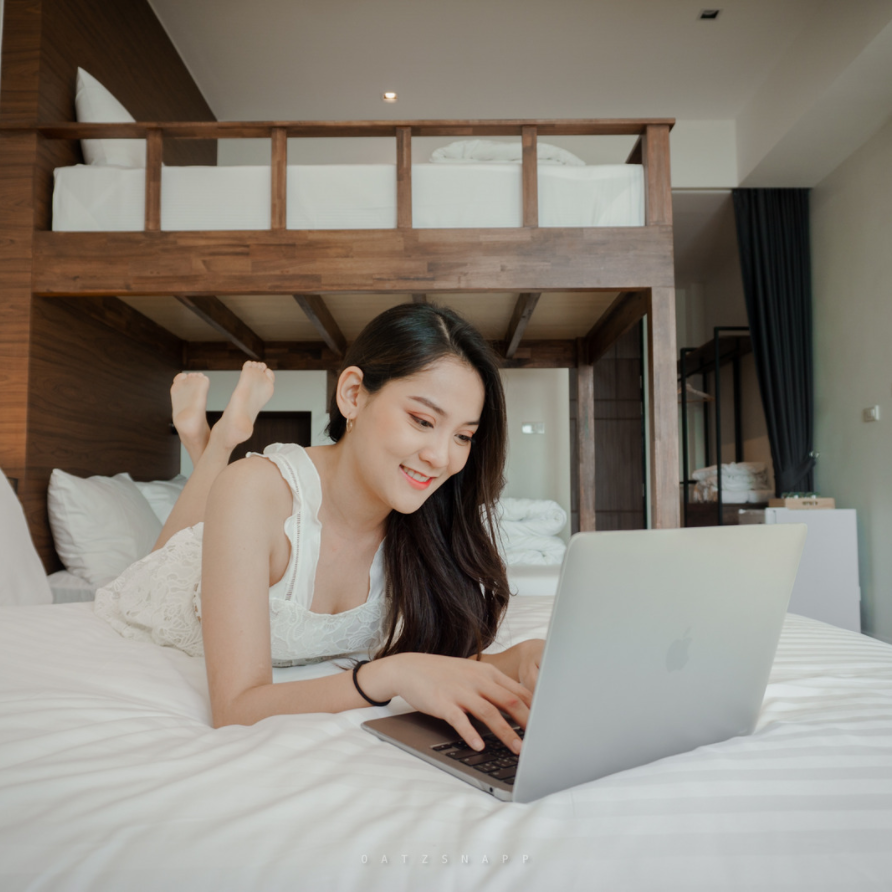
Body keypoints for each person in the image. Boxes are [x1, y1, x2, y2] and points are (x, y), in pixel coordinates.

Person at [94, 303, 544, 756]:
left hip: (248, 531)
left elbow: (441, 665)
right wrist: (389, 675)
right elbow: (235, 709)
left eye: (463, 436)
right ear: (352, 394)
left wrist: (517, 661)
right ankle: (219, 441)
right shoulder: (255, 490)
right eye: (422, 421)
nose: (441, 457)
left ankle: (211, 441)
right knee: (176, 543)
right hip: (176, 585)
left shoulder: (425, 520)